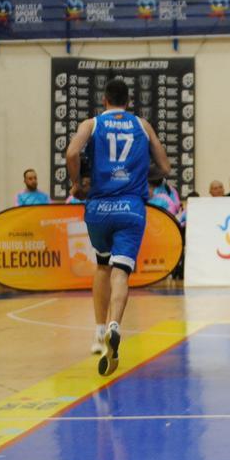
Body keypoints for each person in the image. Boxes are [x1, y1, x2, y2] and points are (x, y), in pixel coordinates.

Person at [66, 78, 171, 375]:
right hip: (131, 207)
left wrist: (76, 183)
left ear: (104, 100)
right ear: (129, 100)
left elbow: (72, 153)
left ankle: (100, 333)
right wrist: (140, 173)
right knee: (121, 272)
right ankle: (115, 325)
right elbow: (165, 168)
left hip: (99, 207)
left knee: (101, 266)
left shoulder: (93, 123)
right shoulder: (141, 124)